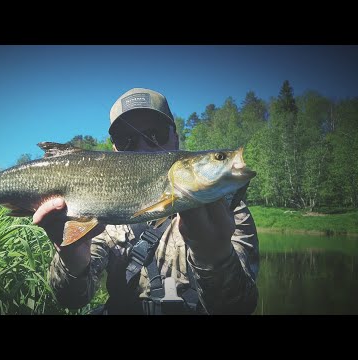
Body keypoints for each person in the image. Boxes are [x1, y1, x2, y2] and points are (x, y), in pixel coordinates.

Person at [33, 88, 259, 315]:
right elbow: (71, 299)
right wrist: (72, 258)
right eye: (126, 140)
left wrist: (215, 256)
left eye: (155, 135)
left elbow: (239, 308)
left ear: (176, 139)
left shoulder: (227, 212)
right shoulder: (101, 213)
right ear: (115, 150)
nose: (142, 147)